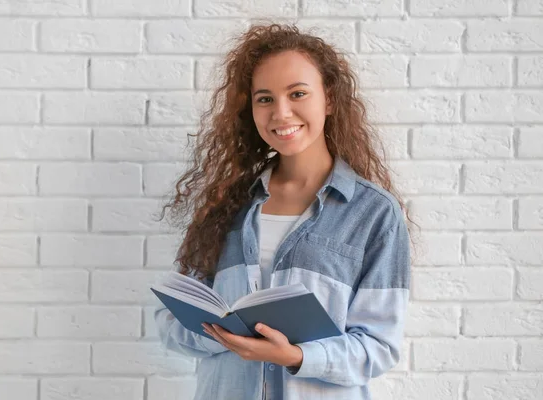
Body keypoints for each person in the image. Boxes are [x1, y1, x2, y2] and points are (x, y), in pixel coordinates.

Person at [155, 23, 414, 400]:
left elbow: (378, 346)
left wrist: (295, 356)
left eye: (297, 93)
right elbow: (170, 323)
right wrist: (226, 337)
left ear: (328, 99)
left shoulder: (374, 213)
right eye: (265, 99)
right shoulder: (227, 205)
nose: (281, 113)